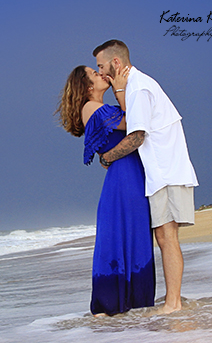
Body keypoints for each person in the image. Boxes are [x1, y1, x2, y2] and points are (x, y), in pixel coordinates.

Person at [94, 39, 197, 314]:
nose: (100, 72)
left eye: (101, 66)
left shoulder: (138, 88)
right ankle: (173, 299)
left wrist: (107, 157)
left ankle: (173, 303)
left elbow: (137, 136)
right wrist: (118, 90)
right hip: (164, 172)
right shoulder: (136, 85)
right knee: (165, 237)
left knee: (167, 237)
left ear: (116, 63)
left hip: (166, 173)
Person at [57, 65, 155, 316]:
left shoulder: (99, 108)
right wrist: (120, 89)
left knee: (131, 238)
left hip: (126, 177)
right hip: (124, 180)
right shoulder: (91, 107)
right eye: (95, 73)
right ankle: (113, 305)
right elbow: (133, 122)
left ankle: (130, 307)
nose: (101, 74)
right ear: (87, 86)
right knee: (127, 238)